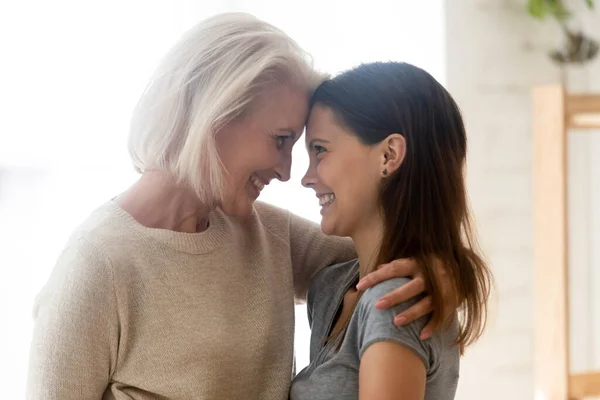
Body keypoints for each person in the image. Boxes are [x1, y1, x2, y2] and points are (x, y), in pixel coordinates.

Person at [26, 14, 458, 400]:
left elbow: (387, 259)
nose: (289, 171)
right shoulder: (96, 265)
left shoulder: (269, 234)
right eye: (282, 140)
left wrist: (439, 268)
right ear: (219, 114)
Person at [290, 62, 493, 400]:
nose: (307, 177)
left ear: (389, 154)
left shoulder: (396, 304)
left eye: (320, 149)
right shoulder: (330, 289)